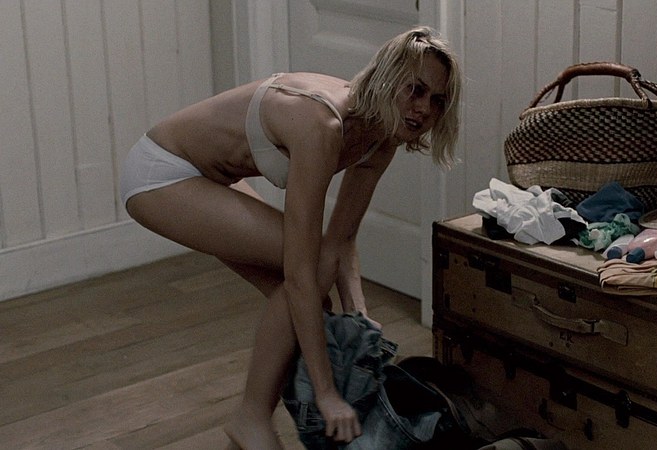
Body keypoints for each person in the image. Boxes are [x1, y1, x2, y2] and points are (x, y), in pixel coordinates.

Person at [119, 26, 461, 449]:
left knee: (314, 302)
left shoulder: (381, 137)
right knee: (309, 277)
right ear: (388, 78)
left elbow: (342, 240)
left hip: (209, 178)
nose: (424, 108)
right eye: (416, 89)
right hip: (161, 174)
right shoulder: (322, 124)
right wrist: (327, 393)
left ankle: (247, 432)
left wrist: (358, 316)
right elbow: (303, 269)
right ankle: (251, 417)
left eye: (437, 100)